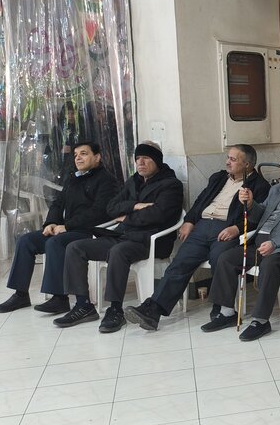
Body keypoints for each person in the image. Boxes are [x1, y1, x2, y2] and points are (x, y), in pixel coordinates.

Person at [123, 144, 271, 330]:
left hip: (227, 229)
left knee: (220, 259)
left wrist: (237, 228)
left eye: (233, 159)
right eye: (228, 157)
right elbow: (200, 201)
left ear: (247, 164)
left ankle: (222, 310)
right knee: (180, 262)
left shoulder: (260, 186)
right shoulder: (218, 178)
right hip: (202, 226)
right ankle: (153, 310)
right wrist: (189, 221)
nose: (227, 162)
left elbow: (260, 217)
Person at [56, 142, 184, 332]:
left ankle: (115, 310)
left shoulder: (171, 185)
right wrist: (135, 206)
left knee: (118, 251)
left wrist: (127, 217)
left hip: (149, 240)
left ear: (157, 160)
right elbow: (111, 207)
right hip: (122, 235)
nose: (140, 163)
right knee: (75, 247)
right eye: (137, 159)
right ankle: (83, 305)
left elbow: (158, 214)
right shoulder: (133, 181)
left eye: (146, 158)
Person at [201, 149, 280, 341]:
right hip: (258, 243)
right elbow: (261, 215)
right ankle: (227, 313)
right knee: (225, 258)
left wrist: (275, 243)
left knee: (270, 265)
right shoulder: (277, 189)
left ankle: (260, 321)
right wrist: (251, 204)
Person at [0, 142, 118, 314]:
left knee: (55, 243)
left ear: (97, 157)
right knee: (26, 241)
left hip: (88, 232)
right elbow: (57, 203)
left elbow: (99, 212)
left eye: (83, 154)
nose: (78, 158)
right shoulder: (73, 178)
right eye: (76, 155)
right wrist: (51, 223)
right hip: (66, 229)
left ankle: (60, 299)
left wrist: (67, 226)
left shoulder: (107, 180)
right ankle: (21, 294)